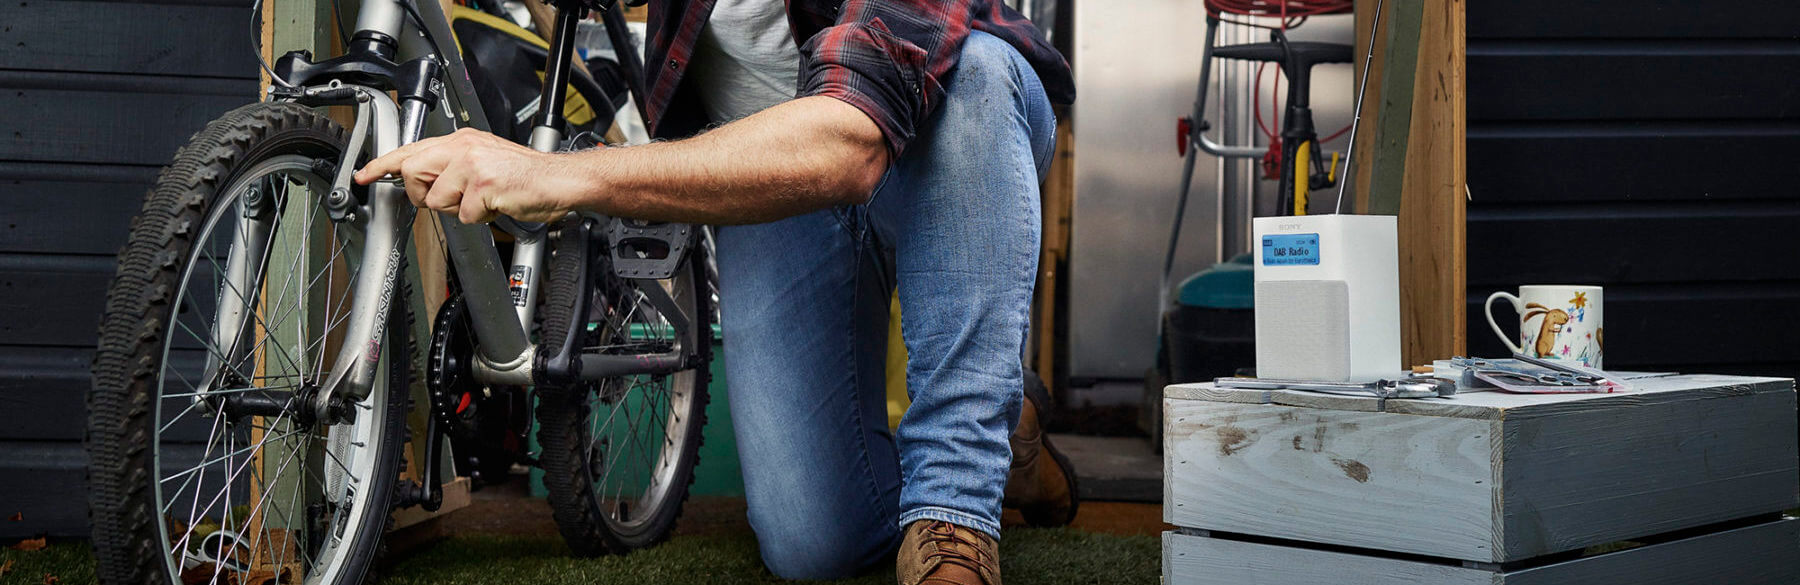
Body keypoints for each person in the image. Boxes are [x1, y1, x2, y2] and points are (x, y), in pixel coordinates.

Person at [355, 1, 1075, 583]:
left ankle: (954, 508)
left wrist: (567, 176)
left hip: (931, 132)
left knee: (979, 75)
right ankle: (1005, 435)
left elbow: (853, 142)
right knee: (811, 545)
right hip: (774, 176)